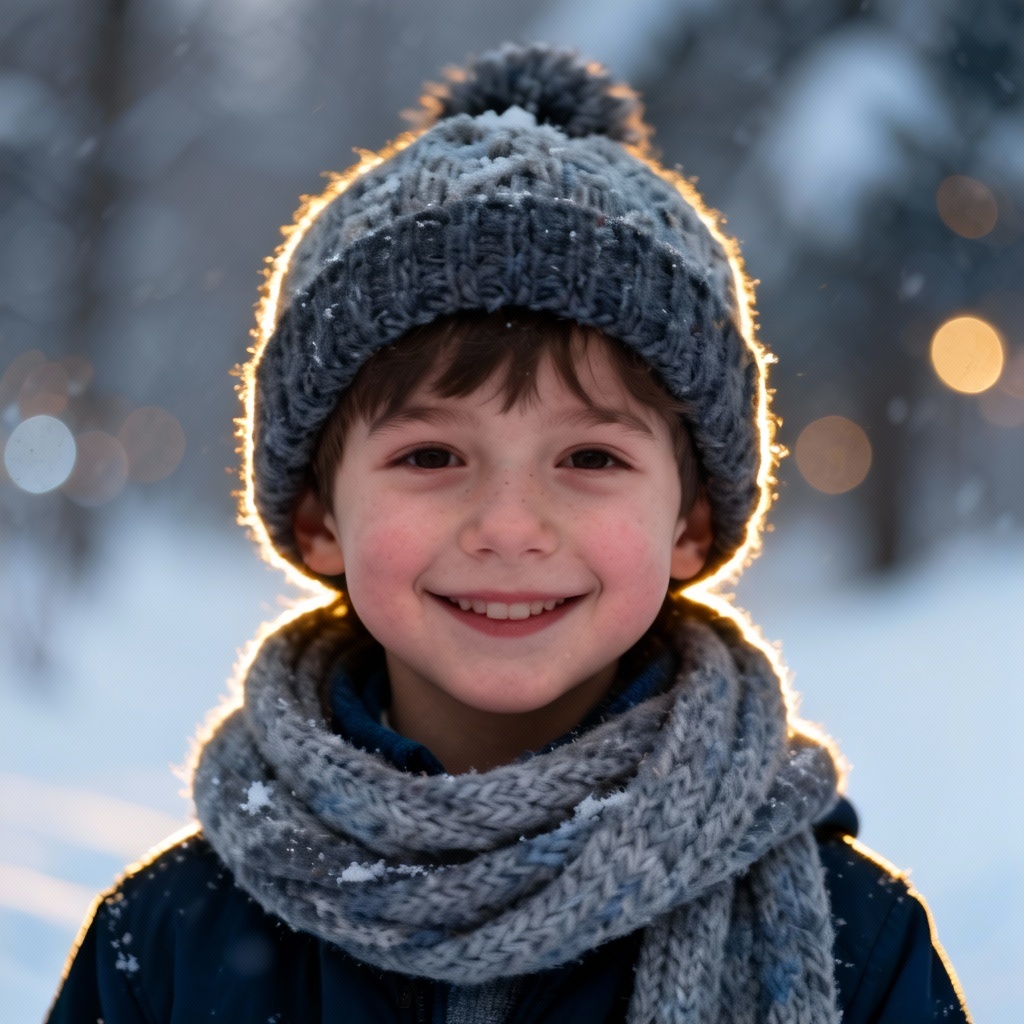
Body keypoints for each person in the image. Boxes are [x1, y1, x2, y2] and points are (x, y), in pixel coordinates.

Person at [47, 43, 971, 1024]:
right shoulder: (170, 944)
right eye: (432, 456)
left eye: (590, 459)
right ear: (319, 517)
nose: (510, 527)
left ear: (690, 525)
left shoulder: (848, 940)